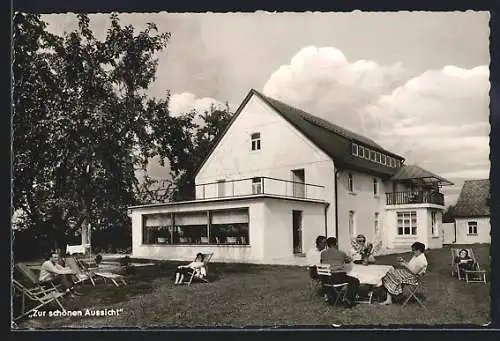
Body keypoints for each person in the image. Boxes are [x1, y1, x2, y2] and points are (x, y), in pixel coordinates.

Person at [320, 237, 360, 308]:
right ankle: (348, 299)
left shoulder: (323, 253)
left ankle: (333, 297)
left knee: (344, 279)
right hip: (338, 277)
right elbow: (349, 260)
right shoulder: (341, 253)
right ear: (336, 243)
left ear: (327, 244)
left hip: (326, 278)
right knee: (355, 281)